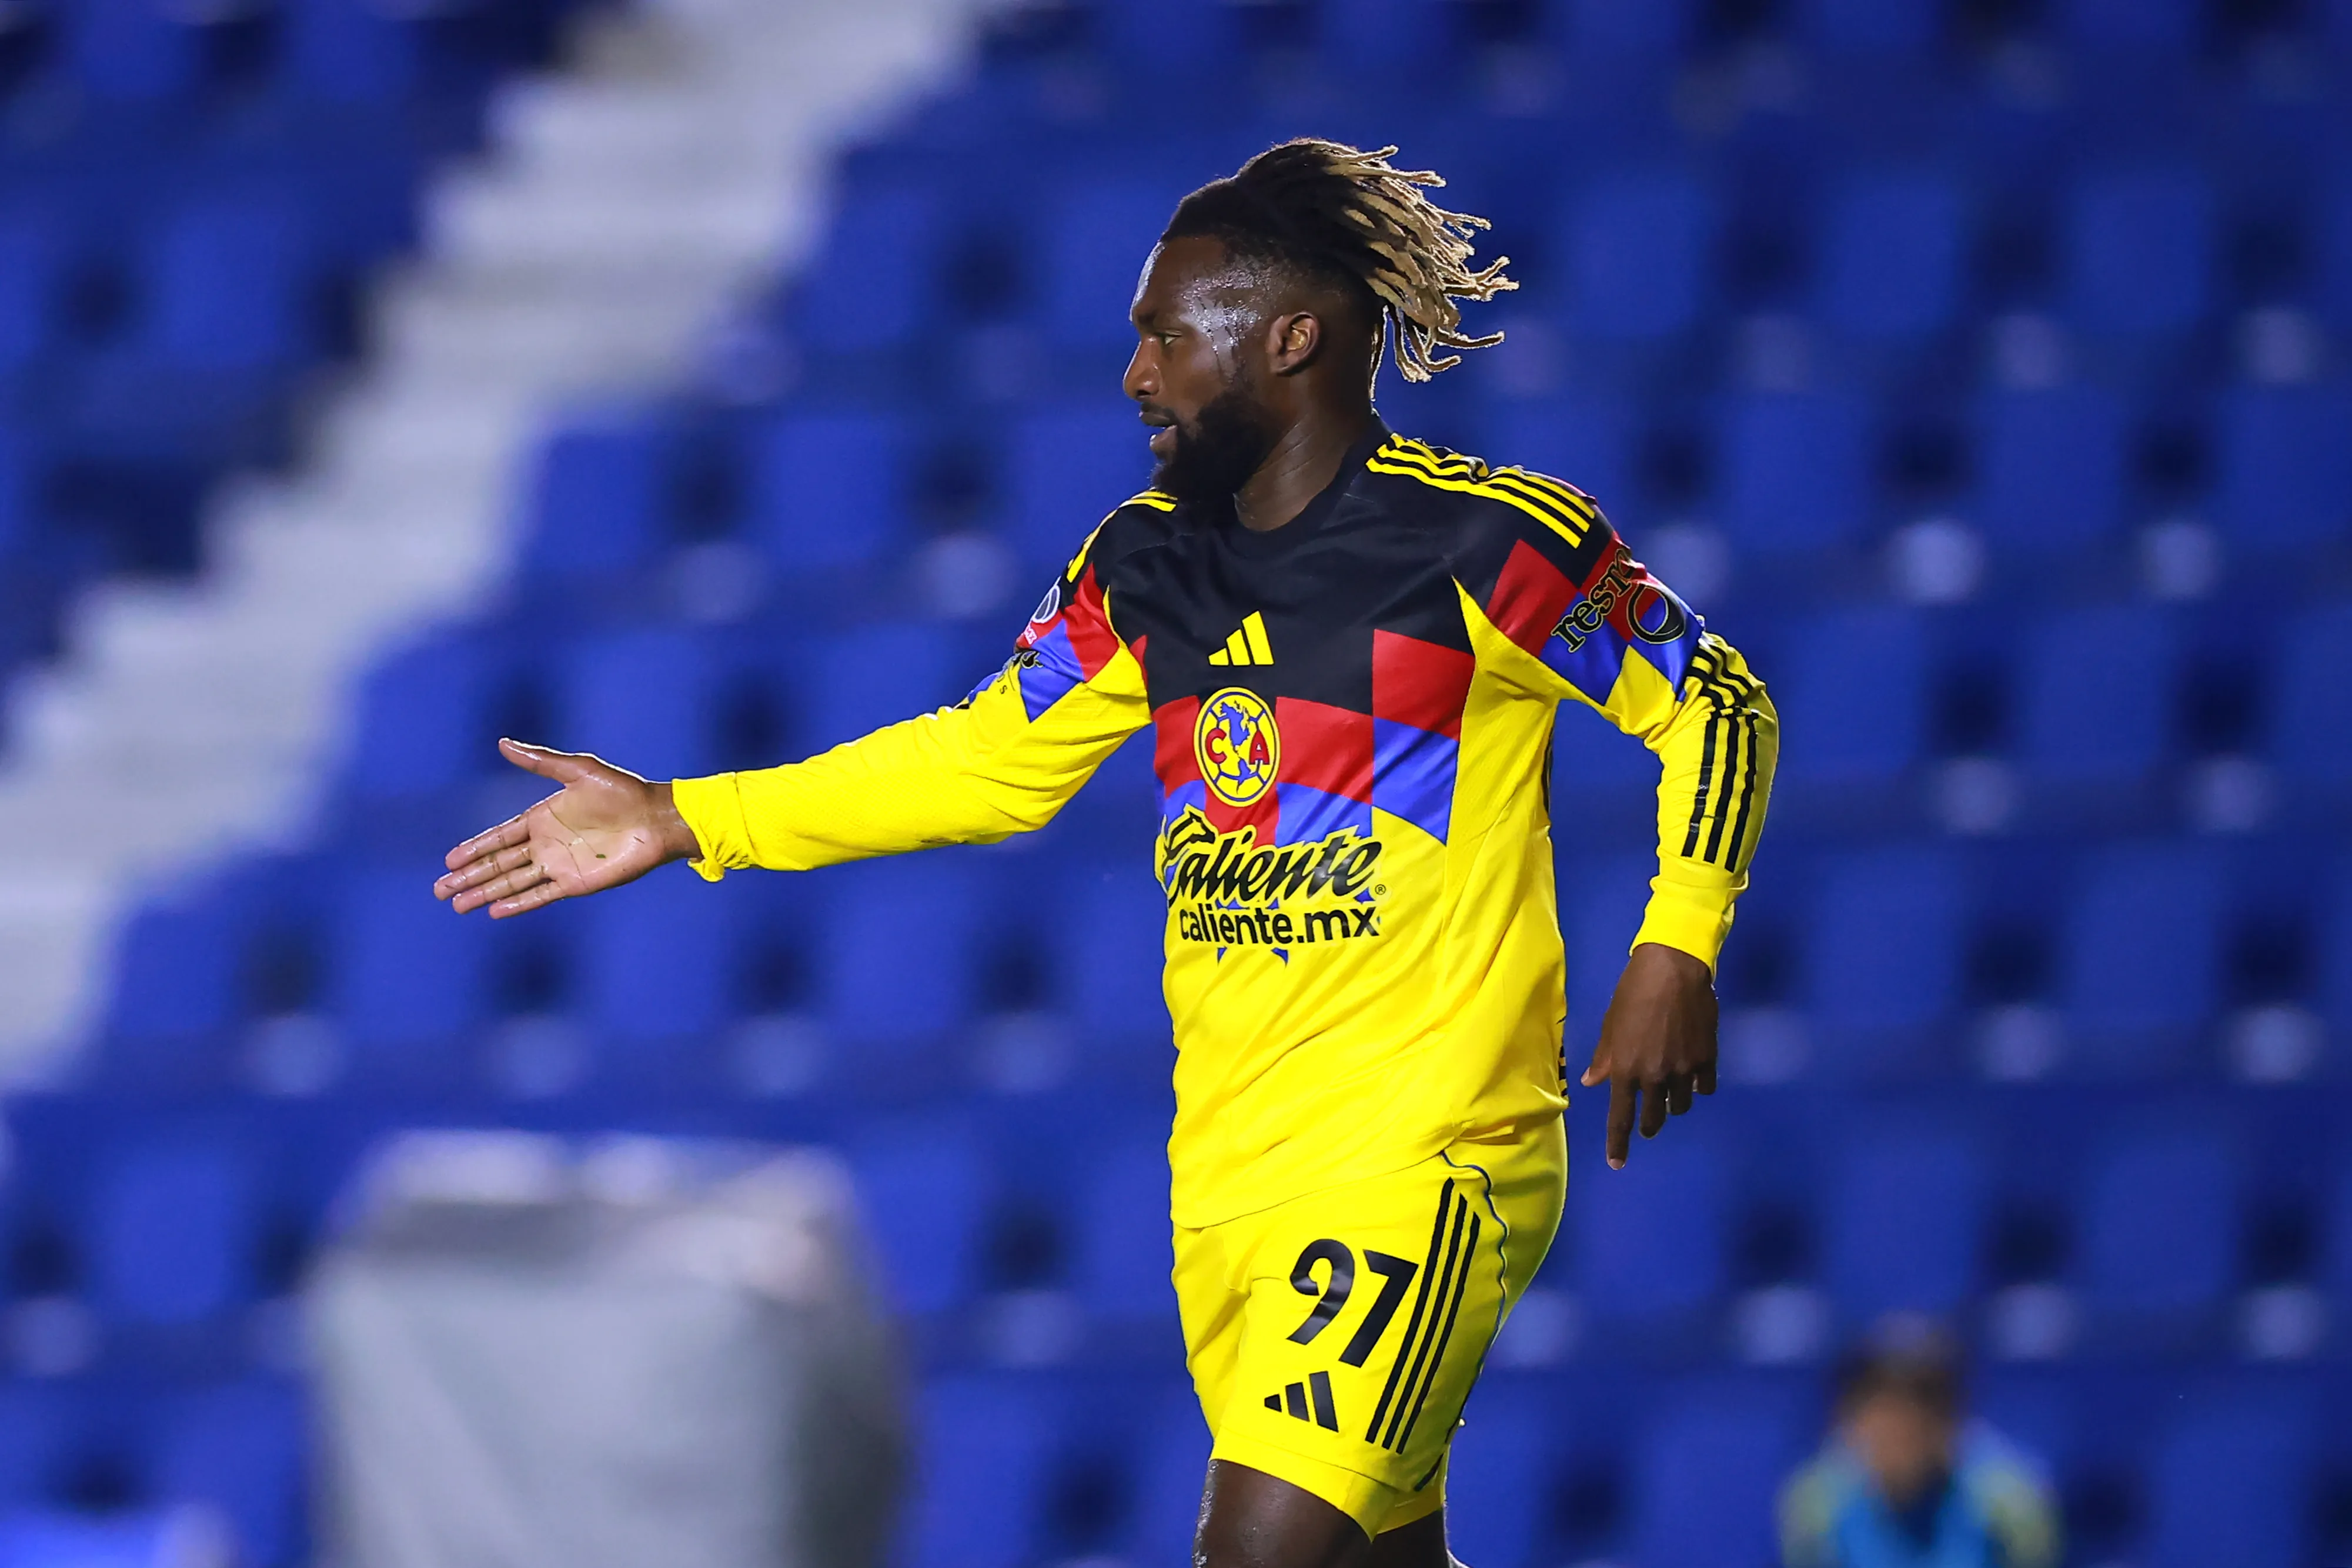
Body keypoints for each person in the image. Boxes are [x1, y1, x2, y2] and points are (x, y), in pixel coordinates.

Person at [435, 139, 1778, 1568]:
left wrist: (1677, 937)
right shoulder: (1141, 566)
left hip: (1422, 1158)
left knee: (1256, 1552)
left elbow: (1715, 705)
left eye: (1162, 332)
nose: (1136, 374)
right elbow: (983, 759)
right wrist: (682, 815)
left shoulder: (1485, 543)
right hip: (1227, 1178)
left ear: (1289, 338)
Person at [1780, 1323, 2061, 1568]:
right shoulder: (1816, 1506)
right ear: (1848, 1420)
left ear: (1950, 1420)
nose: (1897, 1430)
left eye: (1915, 1413)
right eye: (1882, 1415)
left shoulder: (2010, 1504)